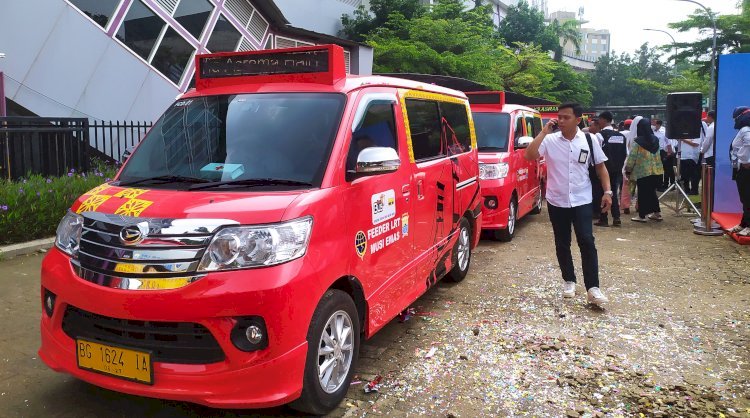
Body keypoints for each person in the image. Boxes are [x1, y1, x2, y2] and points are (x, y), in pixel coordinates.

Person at [524, 102, 612, 306]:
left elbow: (601, 167)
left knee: (586, 240)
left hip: (582, 198)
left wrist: (607, 192)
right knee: (562, 242)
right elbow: (529, 155)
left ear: (578, 120)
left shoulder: (590, 139)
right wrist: (543, 132)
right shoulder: (550, 140)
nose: (561, 121)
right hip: (557, 199)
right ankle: (569, 280)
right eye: (559, 117)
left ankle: (593, 288)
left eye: (566, 117)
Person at [625, 118, 664, 222]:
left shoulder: (638, 141)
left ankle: (641, 216)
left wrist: (627, 170)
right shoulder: (655, 139)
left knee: (642, 193)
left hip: (643, 172)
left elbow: (632, 157)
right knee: (652, 192)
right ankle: (657, 213)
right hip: (657, 171)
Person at [594, 111, 627, 227]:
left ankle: (603, 219)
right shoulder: (621, 136)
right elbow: (625, 153)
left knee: (603, 193)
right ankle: (616, 217)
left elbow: (596, 153)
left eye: (599, 119)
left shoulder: (599, 135)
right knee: (613, 192)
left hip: (604, 169)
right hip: (617, 169)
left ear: (603, 120)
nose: (598, 121)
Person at [729, 107, 750, 236]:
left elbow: (748, 143)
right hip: (741, 167)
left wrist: (747, 161)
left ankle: (748, 225)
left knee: (747, 197)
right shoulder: (744, 129)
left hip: (746, 168)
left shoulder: (746, 129)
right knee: (744, 198)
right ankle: (744, 223)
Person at [678, 129, 702, 195]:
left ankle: (694, 191)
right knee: (684, 175)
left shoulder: (696, 131)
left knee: (693, 176)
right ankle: (686, 190)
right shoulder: (681, 131)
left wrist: (683, 139)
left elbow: (695, 144)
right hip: (682, 156)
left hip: (692, 157)